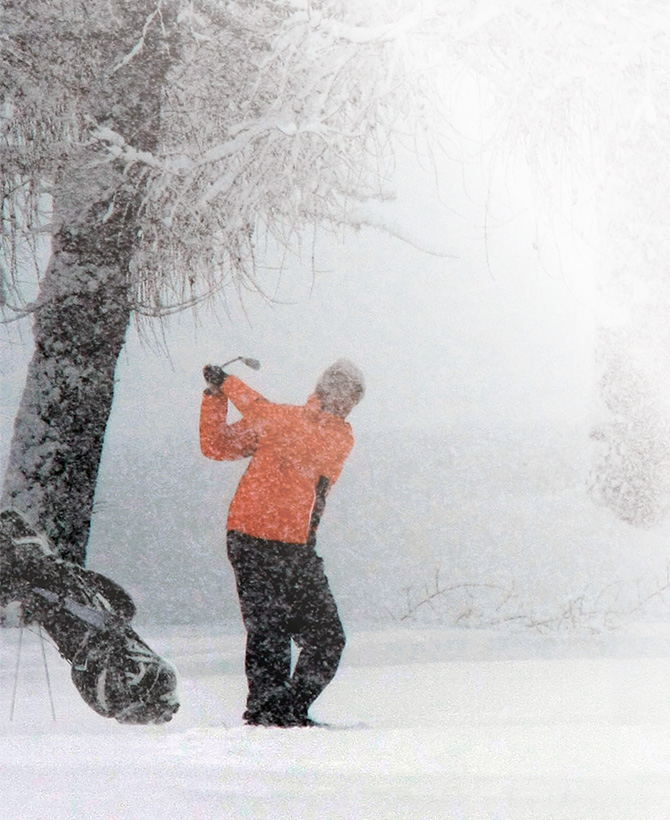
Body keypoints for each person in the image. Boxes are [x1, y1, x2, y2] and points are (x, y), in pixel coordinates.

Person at [200, 359, 364, 727]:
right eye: (342, 392)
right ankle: (266, 716)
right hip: (250, 538)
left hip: (295, 546)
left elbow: (269, 416)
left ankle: (283, 711)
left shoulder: (338, 437)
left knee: (327, 638)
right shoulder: (279, 420)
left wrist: (229, 383)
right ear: (324, 390)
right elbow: (217, 445)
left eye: (354, 397)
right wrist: (215, 397)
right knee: (268, 632)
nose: (347, 402)